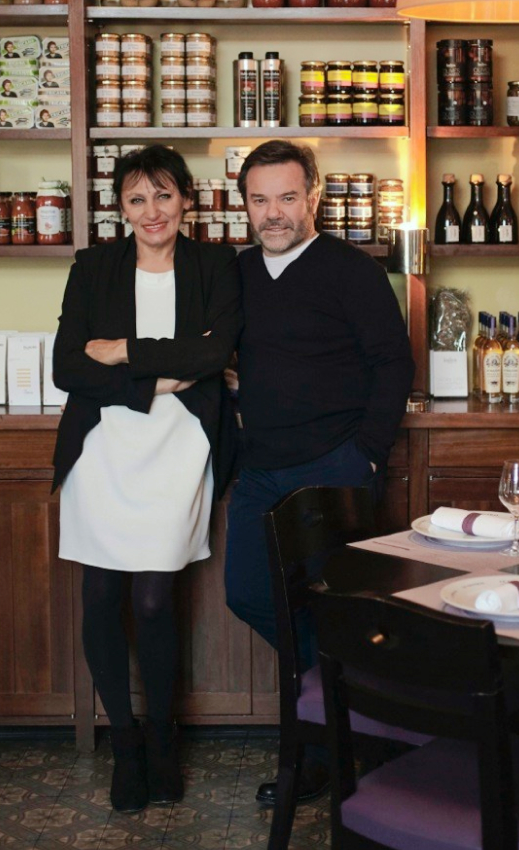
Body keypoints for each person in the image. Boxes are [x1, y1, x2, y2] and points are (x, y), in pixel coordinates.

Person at [52, 145, 242, 814]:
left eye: (164, 195)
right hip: (104, 446)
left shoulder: (215, 264)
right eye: (137, 199)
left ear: (187, 199)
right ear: (120, 208)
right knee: (102, 596)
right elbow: (68, 369)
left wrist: (126, 352)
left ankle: (163, 736)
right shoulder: (94, 266)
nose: (152, 211)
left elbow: (214, 353)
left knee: (157, 600)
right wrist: (157, 378)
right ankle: (126, 744)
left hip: (179, 445)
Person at [224, 140, 415, 806]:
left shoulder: (350, 269)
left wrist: (365, 453)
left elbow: (393, 362)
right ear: (243, 204)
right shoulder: (238, 271)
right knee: (248, 593)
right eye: (259, 199)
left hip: (334, 465)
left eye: (286, 196)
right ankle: (347, 721)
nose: (273, 213)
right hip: (260, 469)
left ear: (313, 197)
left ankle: (331, 749)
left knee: (339, 608)